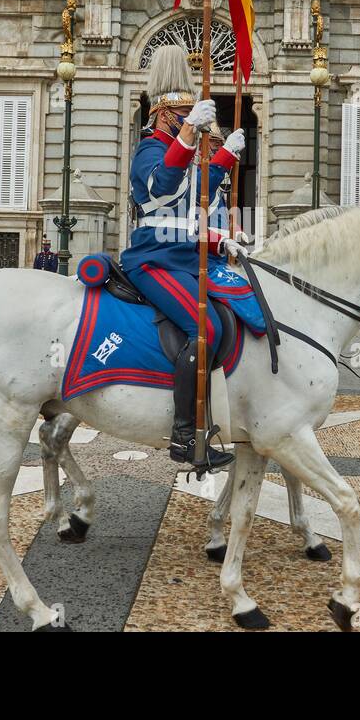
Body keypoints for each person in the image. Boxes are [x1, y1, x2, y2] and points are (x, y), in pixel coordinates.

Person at [121, 45, 245, 470]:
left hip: (186, 258)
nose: (187, 120)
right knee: (206, 325)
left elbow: (194, 205)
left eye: (190, 116)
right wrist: (190, 135)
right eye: (181, 115)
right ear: (162, 114)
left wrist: (228, 154)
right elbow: (161, 189)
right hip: (153, 260)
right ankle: (183, 435)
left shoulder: (188, 155)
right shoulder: (149, 152)